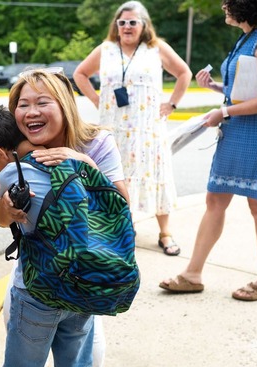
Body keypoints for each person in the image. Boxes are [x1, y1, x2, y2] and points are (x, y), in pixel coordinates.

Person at [0, 68, 131, 367]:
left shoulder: (95, 143)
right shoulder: (18, 150)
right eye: (23, 104)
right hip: (37, 281)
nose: (31, 112)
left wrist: (84, 162)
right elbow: (0, 219)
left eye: (42, 102)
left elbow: (122, 208)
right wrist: (7, 208)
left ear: (65, 104)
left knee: (84, 365)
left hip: (85, 277)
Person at [159, 0, 257, 301]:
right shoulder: (249, 36)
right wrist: (219, 89)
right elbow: (251, 88)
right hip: (238, 127)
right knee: (215, 198)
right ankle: (192, 274)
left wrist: (226, 111)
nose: (223, 6)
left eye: (229, 1)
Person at [0, 102, 108, 367]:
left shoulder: (12, 173)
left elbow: (0, 219)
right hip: (83, 287)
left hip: (38, 293)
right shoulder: (72, 160)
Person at [73, 1, 192, 256]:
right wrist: (96, 99)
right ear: (116, 25)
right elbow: (80, 74)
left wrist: (171, 103)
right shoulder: (105, 49)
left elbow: (184, 73)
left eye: (133, 22)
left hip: (147, 130)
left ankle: (165, 233)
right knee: (116, 176)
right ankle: (122, 227)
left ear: (143, 25)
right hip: (115, 129)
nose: (127, 27)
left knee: (157, 174)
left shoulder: (155, 48)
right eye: (122, 22)